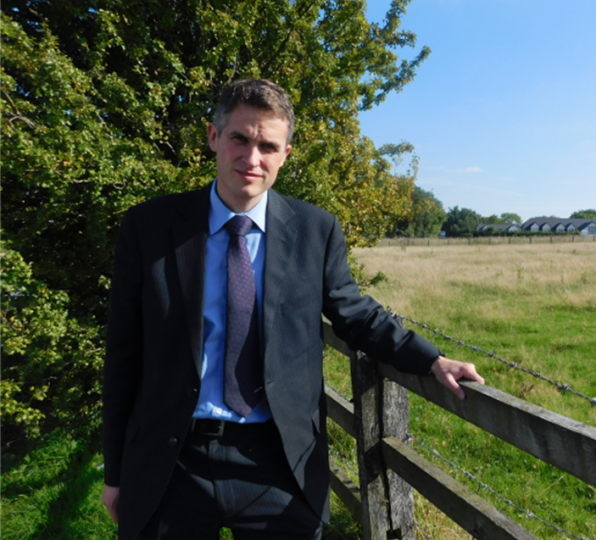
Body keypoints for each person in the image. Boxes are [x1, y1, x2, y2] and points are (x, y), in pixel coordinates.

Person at [101, 78, 484, 540]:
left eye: (268, 145)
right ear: (213, 137)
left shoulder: (314, 230)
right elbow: (123, 355)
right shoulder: (150, 227)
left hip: (279, 463)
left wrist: (431, 359)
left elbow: (354, 313)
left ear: (286, 153)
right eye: (240, 139)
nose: (252, 158)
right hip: (171, 461)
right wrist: (116, 472)